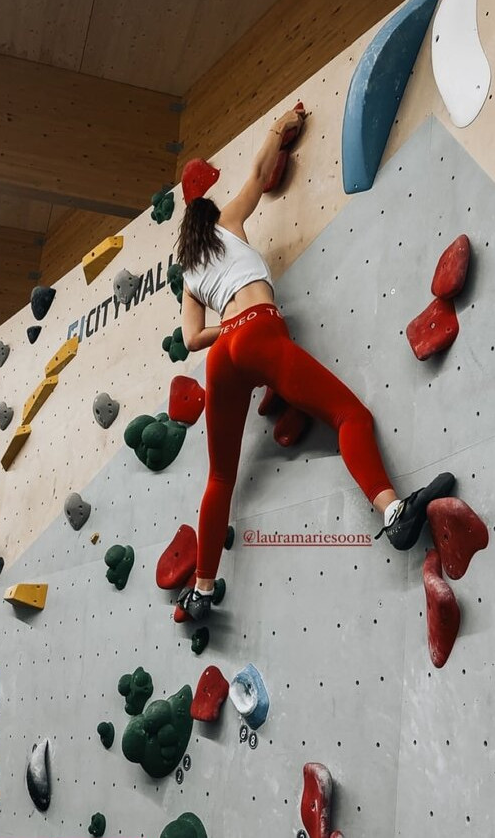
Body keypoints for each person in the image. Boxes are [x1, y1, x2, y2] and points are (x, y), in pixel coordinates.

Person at [175, 106, 455, 620]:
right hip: (258, 333)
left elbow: (192, 339)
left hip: (223, 358)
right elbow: (260, 172)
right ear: (211, 218)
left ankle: (202, 589)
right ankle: (392, 511)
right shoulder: (228, 224)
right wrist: (280, 126)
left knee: (219, 479)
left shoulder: (191, 278)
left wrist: (228, 329)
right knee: (350, 416)